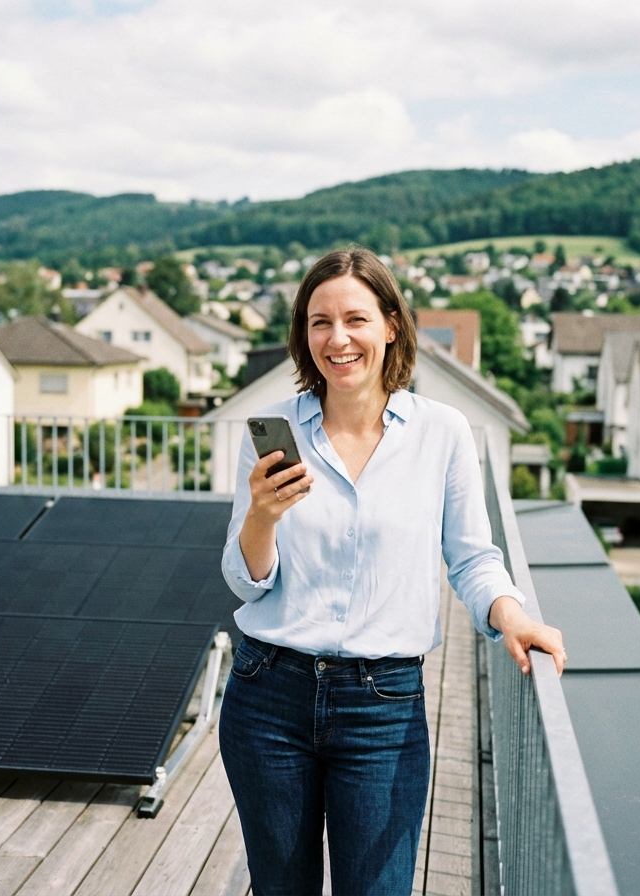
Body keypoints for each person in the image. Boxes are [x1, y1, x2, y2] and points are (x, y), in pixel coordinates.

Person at [220, 246, 565, 896]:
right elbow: (244, 581)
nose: (338, 337)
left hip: (382, 709)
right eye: (319, 322)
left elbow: (471, 557)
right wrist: (262, 516)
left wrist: (511, 616)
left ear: (391, 326)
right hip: (268, 695)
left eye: (356, 318)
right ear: (303, 335)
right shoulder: (272, 433)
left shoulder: (442, 433)